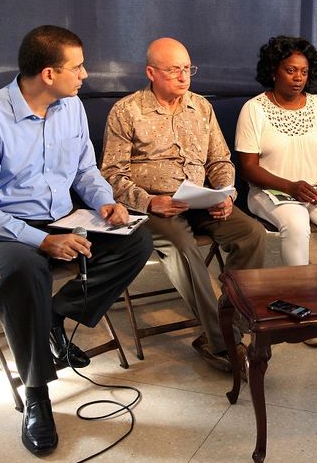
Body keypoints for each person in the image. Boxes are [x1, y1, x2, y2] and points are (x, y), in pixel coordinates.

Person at [0, 25, 153, 456]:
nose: (84, 75)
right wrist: (39, 242)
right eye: (77, 67)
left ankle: (55, 316)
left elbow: (84, 170)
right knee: (26, 268)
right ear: (48, 73)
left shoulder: (71, 107)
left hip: (60, 219)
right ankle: (37, 394)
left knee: (136, 241)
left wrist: (105, 203)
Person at [101, 37, 266, 370]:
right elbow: (112, 176)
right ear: (151, 72)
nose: (183, 76)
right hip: (153, 206)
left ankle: (230, 316)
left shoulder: (201, 107)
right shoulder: (127, 111)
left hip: (199, 199)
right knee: (182, 245)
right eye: (173, 70)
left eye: (187, 68)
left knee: (252, 233)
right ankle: (223, 342)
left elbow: (220, 160)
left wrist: (225, 193)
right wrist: (150, 202)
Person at [235, 36, 317, 346]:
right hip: (271, 191)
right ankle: (303, 311)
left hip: (315, 188)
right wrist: (291, 187)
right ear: (274, 71)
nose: (298, 78)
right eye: (291, 70)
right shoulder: (254, 109)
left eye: (304, 72)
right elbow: (249, 168)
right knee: (296, 223)